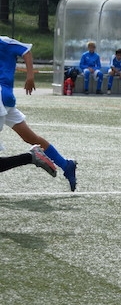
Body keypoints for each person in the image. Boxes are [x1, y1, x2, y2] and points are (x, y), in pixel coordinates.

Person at [0, 36, 78, 191]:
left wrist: (30, 76)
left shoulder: (3, 42)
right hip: (5, 99)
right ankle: (65, 164)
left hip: (1, 96)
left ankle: (32, 157)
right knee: (31, 138)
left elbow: (26, 51)